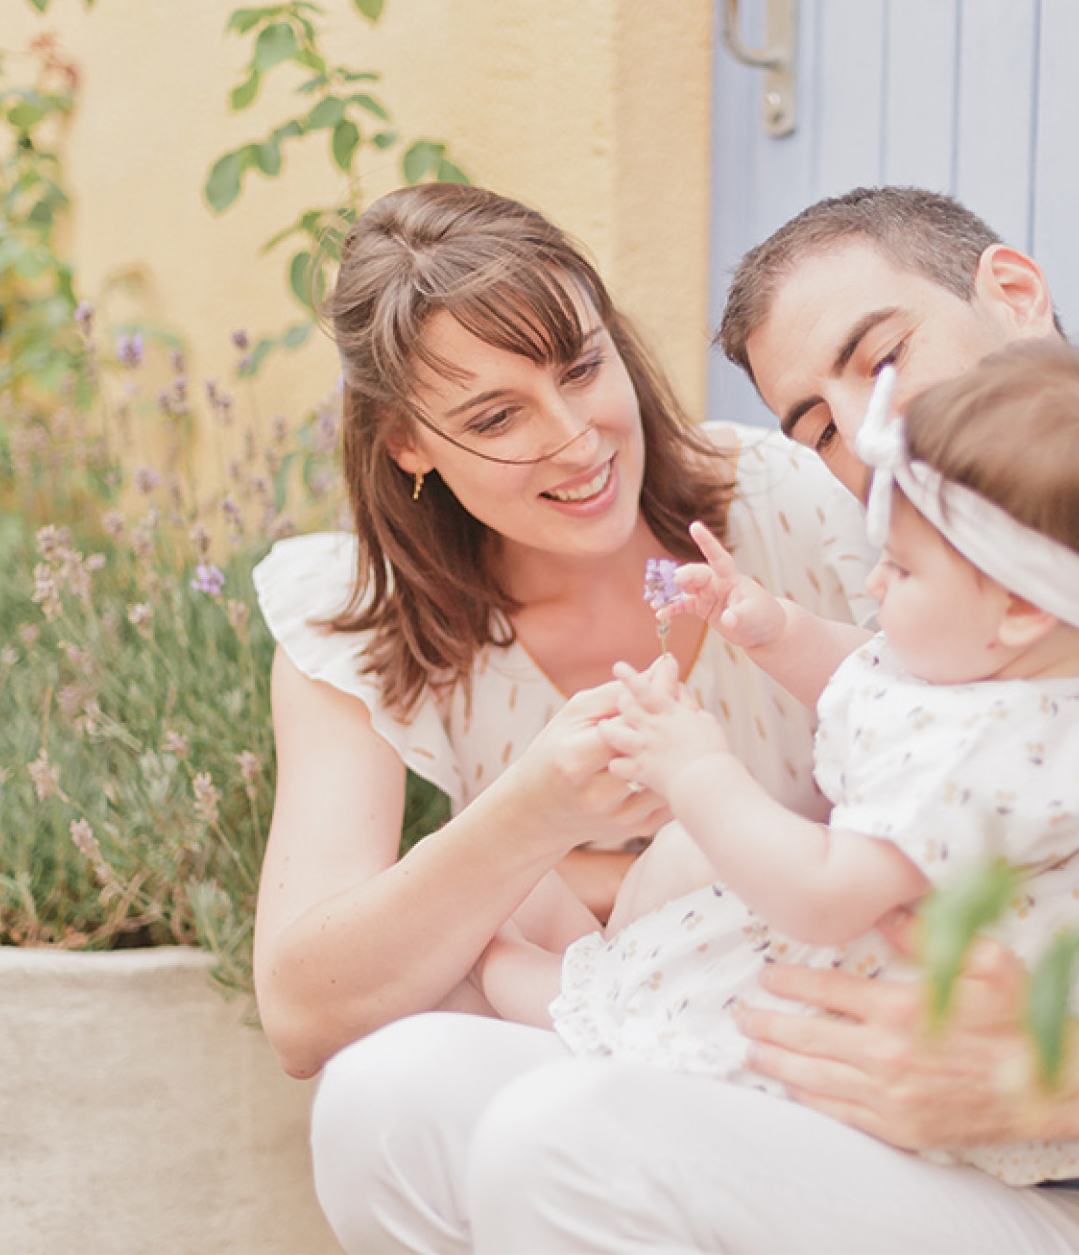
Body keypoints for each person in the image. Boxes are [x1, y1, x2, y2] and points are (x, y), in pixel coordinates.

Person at [312, 185, 1079, 1252]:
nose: (867, 437)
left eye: (880, 361)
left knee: (569, 1141)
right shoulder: (921, 619)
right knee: (390, 1097)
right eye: (817, 426)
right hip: (948, 1165)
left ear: (1015, 294)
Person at [248, 181, 881, 1224]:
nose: (577, 439)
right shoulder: (361, 615)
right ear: (407, 443)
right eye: (496, 416)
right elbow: (301, 1010)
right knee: (375, 1093)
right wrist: (534, 814)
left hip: (802, 1051)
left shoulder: (786, 504)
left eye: (582, 368)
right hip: (567, 1065)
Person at [481, 340, 1079, 1192]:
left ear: (1019, 607)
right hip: (953, 979)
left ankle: (521, 982)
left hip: (901, 1006)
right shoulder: (1047, 671)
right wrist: (775, 627)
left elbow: (824, 895)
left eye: (902, 566)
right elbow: (879, 686)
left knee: (645, 1001)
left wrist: (696, 770)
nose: (876, 582)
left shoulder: (979, 759)